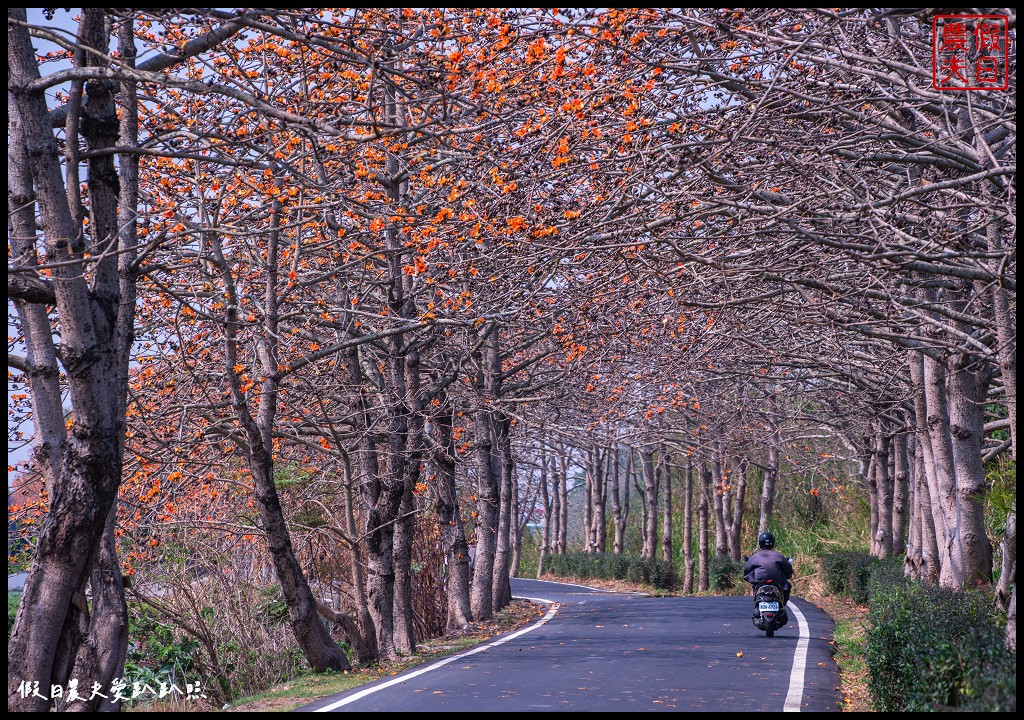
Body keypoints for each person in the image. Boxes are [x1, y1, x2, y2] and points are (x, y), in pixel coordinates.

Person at [743, 531, 794, 605]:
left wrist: (750, 577)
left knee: (755, 586)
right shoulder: (779, 556)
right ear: (772, 543)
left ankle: (757, 603)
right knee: (787, 586)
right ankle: (783, 604)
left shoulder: (754, 557)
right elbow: (788, 570)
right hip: (777, 581)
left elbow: (747, 570)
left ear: (760, 543)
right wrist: (787, 575)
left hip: (759, 581)